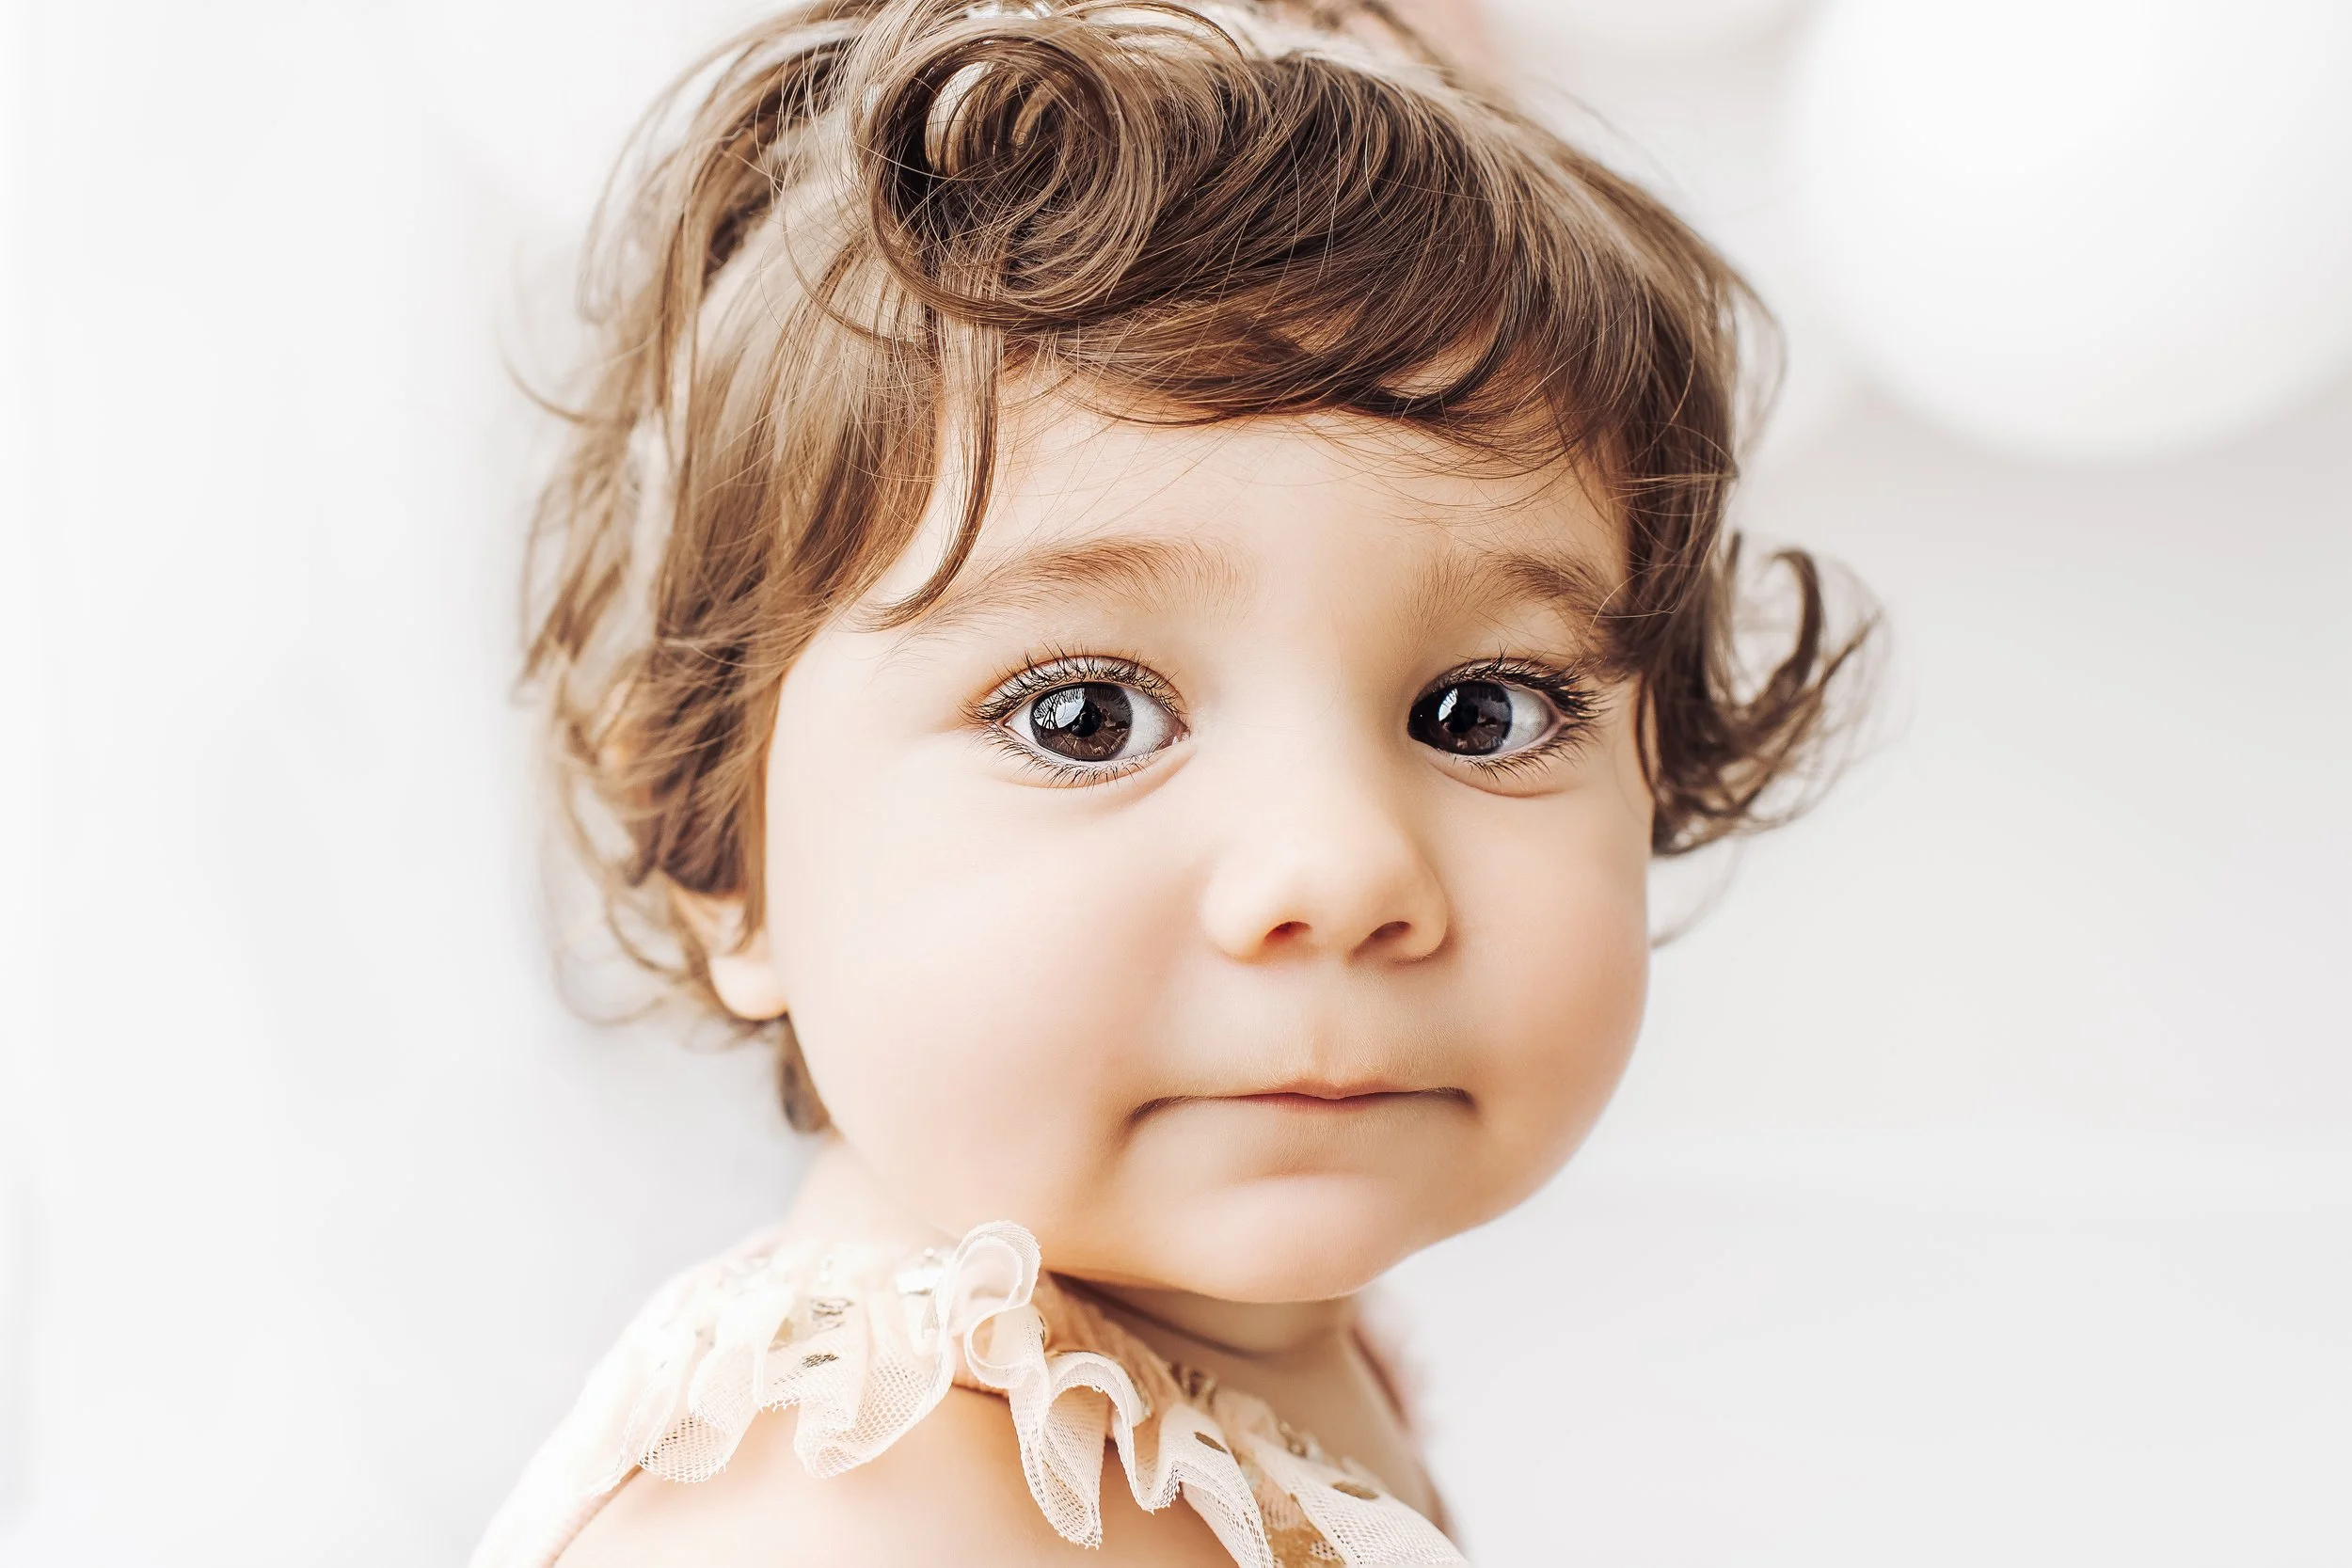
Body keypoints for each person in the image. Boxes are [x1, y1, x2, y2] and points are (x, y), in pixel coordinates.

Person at [474, 1, 1869, 1562]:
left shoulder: (1233, 1370)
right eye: (1083, 716)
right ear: (721, 860)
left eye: (1480, 711)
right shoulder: (853, 1502)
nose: (1340, 871)